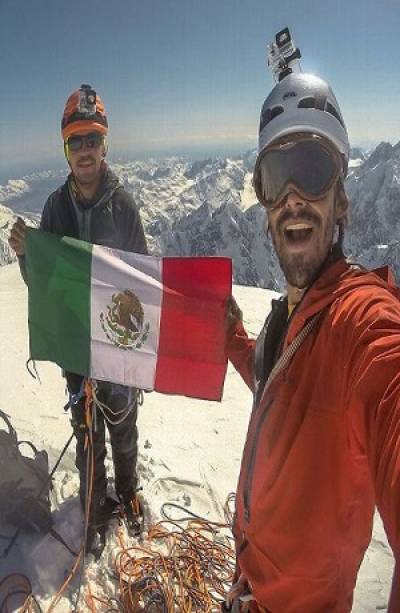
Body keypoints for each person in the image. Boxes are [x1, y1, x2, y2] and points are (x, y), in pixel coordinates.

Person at [225, 70, 400, 611]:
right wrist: (234, 339)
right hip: (249, 590)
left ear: (342, 199)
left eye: (313, 172)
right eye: (279, 178)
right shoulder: (295, 317)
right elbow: (287, 391)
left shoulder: (363, 322)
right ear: (263, 200)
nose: (294, 199)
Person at [9, 84, 148, 555]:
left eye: (92, 139)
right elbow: (43, 283)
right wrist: (30, 257)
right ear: (66, 150)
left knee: (122, 421)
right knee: (86, 426)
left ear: (104, 145)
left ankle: (126, 489)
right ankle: (94, 501)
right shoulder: (54, 208)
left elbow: (143, 284)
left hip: (116, 342)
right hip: (74, 343)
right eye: (76, 141)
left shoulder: (123, 206)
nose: (85, 150)